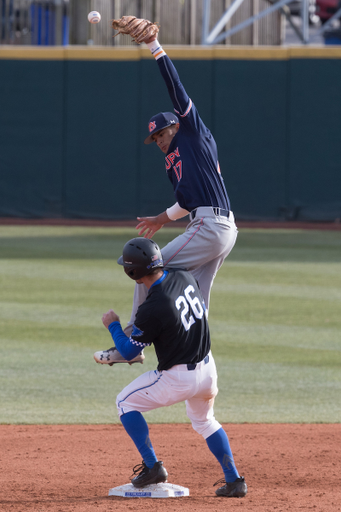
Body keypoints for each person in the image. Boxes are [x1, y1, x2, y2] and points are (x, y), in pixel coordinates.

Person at [106, 26, 238, 365]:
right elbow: (185, 203)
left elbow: (175, 87)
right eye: (156, 139)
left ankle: (132, 343)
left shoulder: (193, 134)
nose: (160, 141)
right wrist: (160, 219)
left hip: (211, 225)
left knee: (148, 265)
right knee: (194, 294)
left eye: (163, 133)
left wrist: (153, 45)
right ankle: (199, 358)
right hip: (219, 228)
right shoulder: (172, 161)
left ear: (176, 126)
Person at [94, 237, 247, 498]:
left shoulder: (153, 307)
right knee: (205, 421)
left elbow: (130, 351)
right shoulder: (183, 276)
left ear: (132, 272)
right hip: (208, 371)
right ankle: (235, 481)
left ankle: (153, 466)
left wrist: (114, 325)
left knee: (125, 402)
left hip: (178, 379)